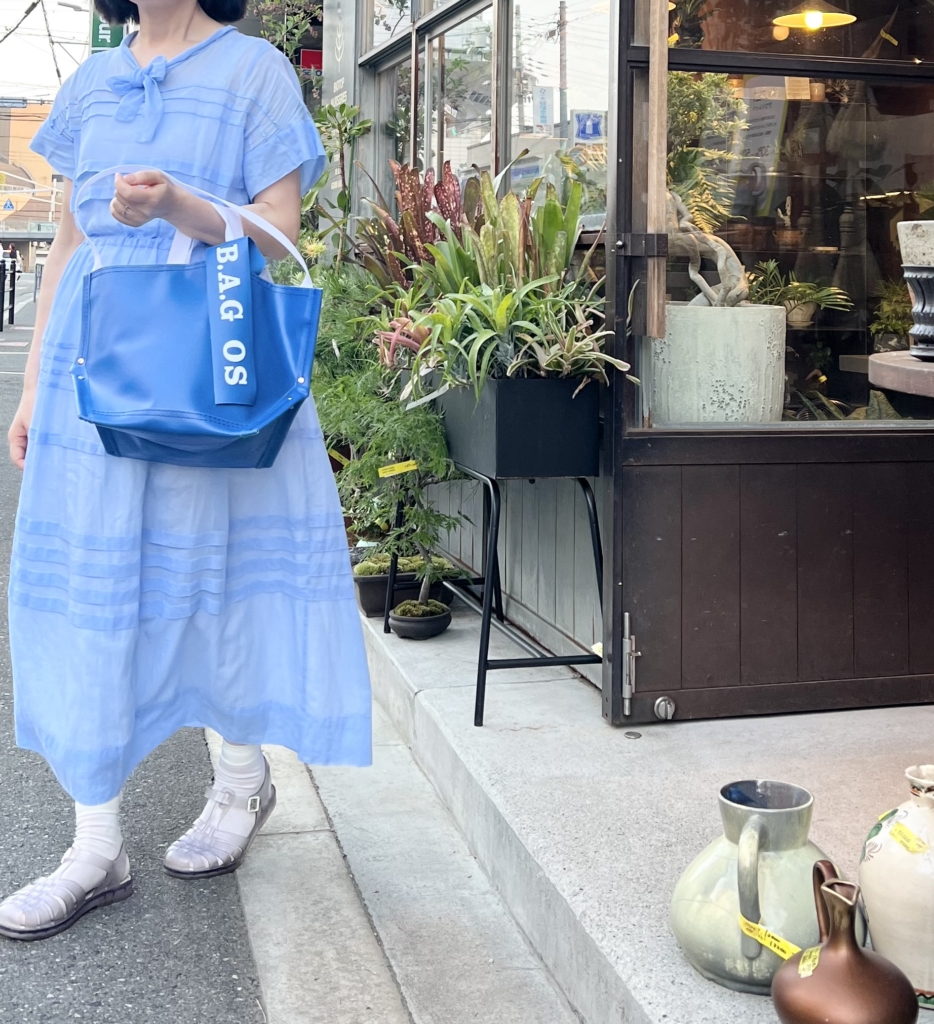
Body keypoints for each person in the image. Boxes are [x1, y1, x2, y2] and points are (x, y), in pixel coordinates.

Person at [0, 0, 371, 940]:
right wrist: (34, 386)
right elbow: (69, 245)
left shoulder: (255, 69)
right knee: (94, 592)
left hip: (214, 363)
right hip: (94, 367)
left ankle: (241, 785)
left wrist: (178, 207)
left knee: (219, 574)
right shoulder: (91, 83)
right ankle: (95, 846)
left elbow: (281, 232)